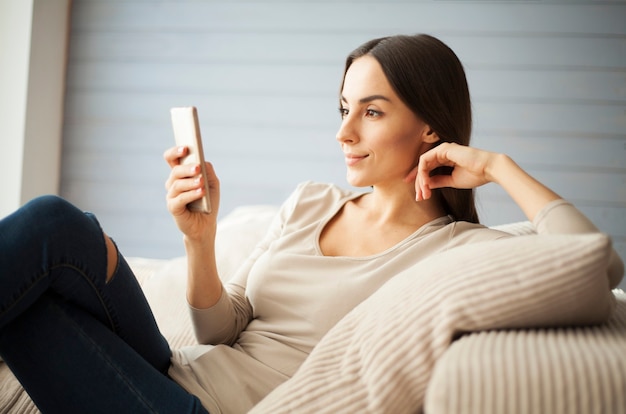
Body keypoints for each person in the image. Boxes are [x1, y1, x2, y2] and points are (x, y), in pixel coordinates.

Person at [0, 34, 622, 414]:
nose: (343, 132)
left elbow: (592, 262)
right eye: (345, 108)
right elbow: (221, 329)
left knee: (31, 310)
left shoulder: (458, 252)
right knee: (60, 225)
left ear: (431, 128)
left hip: (195, 409)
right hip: (173, 367)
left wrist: (497, 166)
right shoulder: (310, 201)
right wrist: (200, 240)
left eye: (371, 112)